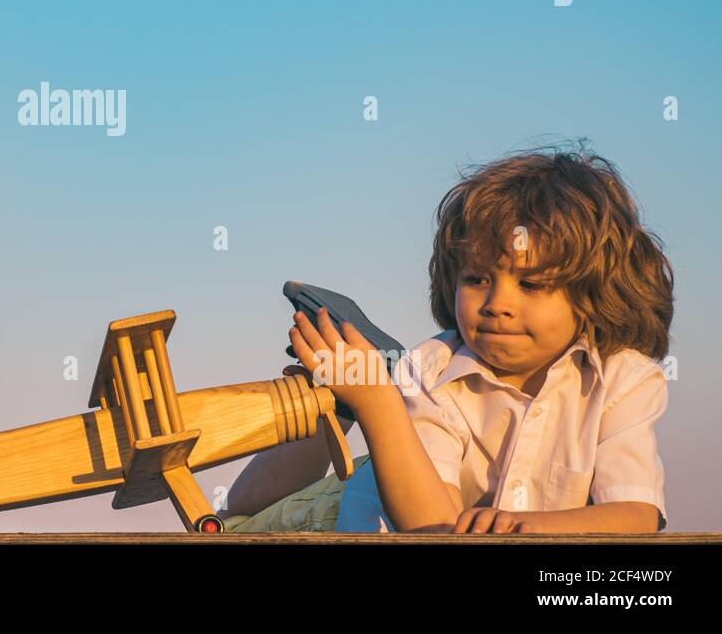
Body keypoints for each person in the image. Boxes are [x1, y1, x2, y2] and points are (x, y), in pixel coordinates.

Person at [224, 145, 672, 533]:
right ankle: (341, 402)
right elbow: (428, 526)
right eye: (477, 278)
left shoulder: (623, 379)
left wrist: (532, 528)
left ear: (591, 293)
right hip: (341, 513)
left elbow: (636, 513)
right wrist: (375, 401)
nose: (497, 303)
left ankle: (361, 382)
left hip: (400, 458)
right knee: (232, 523)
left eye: (531, 285)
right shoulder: (432, 370)